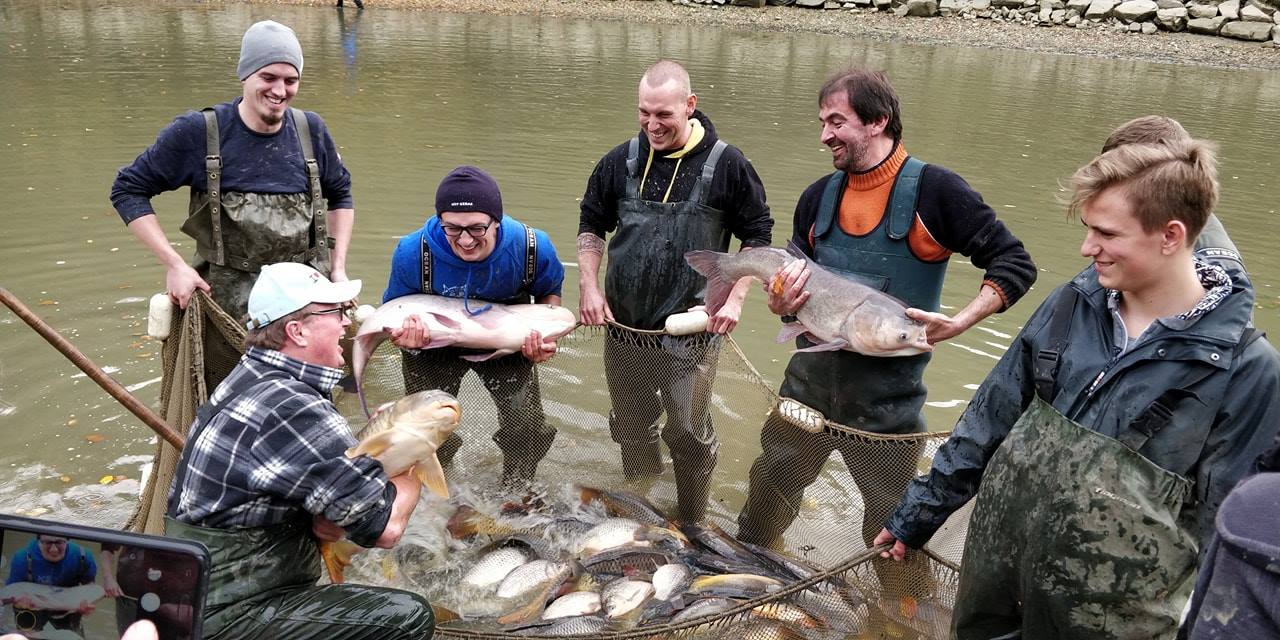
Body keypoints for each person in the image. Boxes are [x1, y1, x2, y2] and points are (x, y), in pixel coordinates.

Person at [875, 139, 1280, 639]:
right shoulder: (1073, 302)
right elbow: (990, 417)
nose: (1087, 249)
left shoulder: (1248, 372)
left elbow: (1231, 546)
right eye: (1089, 229)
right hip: (993, 594)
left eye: (1106, 233)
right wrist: (918, 514)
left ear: (1171, 236)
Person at [735, 67, 1037, 552]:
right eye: (823, 122)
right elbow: (790, 300)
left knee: (894, 535)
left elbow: (1015, 263)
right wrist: (781, 305)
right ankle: (751, 572)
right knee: (764, 506)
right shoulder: (817, 197)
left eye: (836, 122)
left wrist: (961, 321)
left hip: (889, 406)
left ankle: (899, 616)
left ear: (878, 121)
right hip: (805, 388)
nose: (824, 135)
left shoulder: (936, 192)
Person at [163, 263, 434, 639]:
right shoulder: (296, 406)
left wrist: (374, 445)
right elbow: (384, 529)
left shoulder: (249, 375)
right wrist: (412, 456)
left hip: (185, 597)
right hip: (226, 617)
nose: (346, 323)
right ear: (297, 330)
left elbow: (314, 465)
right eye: (337, 313)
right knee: (407, 615)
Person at [576, 59, 773, 523]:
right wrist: (588, 286)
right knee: (629, 425)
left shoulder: (728, 165)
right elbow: (591, 225)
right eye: (644, 112)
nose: (651, 124)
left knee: (687, 431)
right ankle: (641, 503)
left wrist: (737, 297)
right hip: (623, 326)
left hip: (691, 329)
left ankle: (692, 521)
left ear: (690, 106)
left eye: (663, 115)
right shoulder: (618, 161)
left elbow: (758, 237)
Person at [110, 20, 355, 321]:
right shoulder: (199, 132)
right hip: (222, 308)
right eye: (268, 77)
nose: (280, 90)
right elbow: (127, 190)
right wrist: (174, 265)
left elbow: (341, 195)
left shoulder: (311, 130)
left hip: (302, 304)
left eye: (290, 80)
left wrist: (338, 268)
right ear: (245, 75)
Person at [382, 166, 566, 485]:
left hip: (505, 341)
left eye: (477, 228)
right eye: (452, 229)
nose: (465, 240)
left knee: (526, 426)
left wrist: (543, 341)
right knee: (424, 428)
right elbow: (392, 313)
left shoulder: (532, 246)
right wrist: (405, 338)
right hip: (433, 344)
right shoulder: (413, 252)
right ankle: (439, 482)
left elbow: (550, 295)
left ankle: (517, 492)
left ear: (496, 220)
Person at [4, 535, 97, 634]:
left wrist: (86, 604)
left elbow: (90, 586)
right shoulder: (22, 558)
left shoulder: (83, 557)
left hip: (67, 608)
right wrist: (19, 603)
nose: (54, 549)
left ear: (67, 540)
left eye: (59, 542)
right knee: (25, 635)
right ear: (39, 540)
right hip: (31, 607)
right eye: (47, 543)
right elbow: (10, 593)